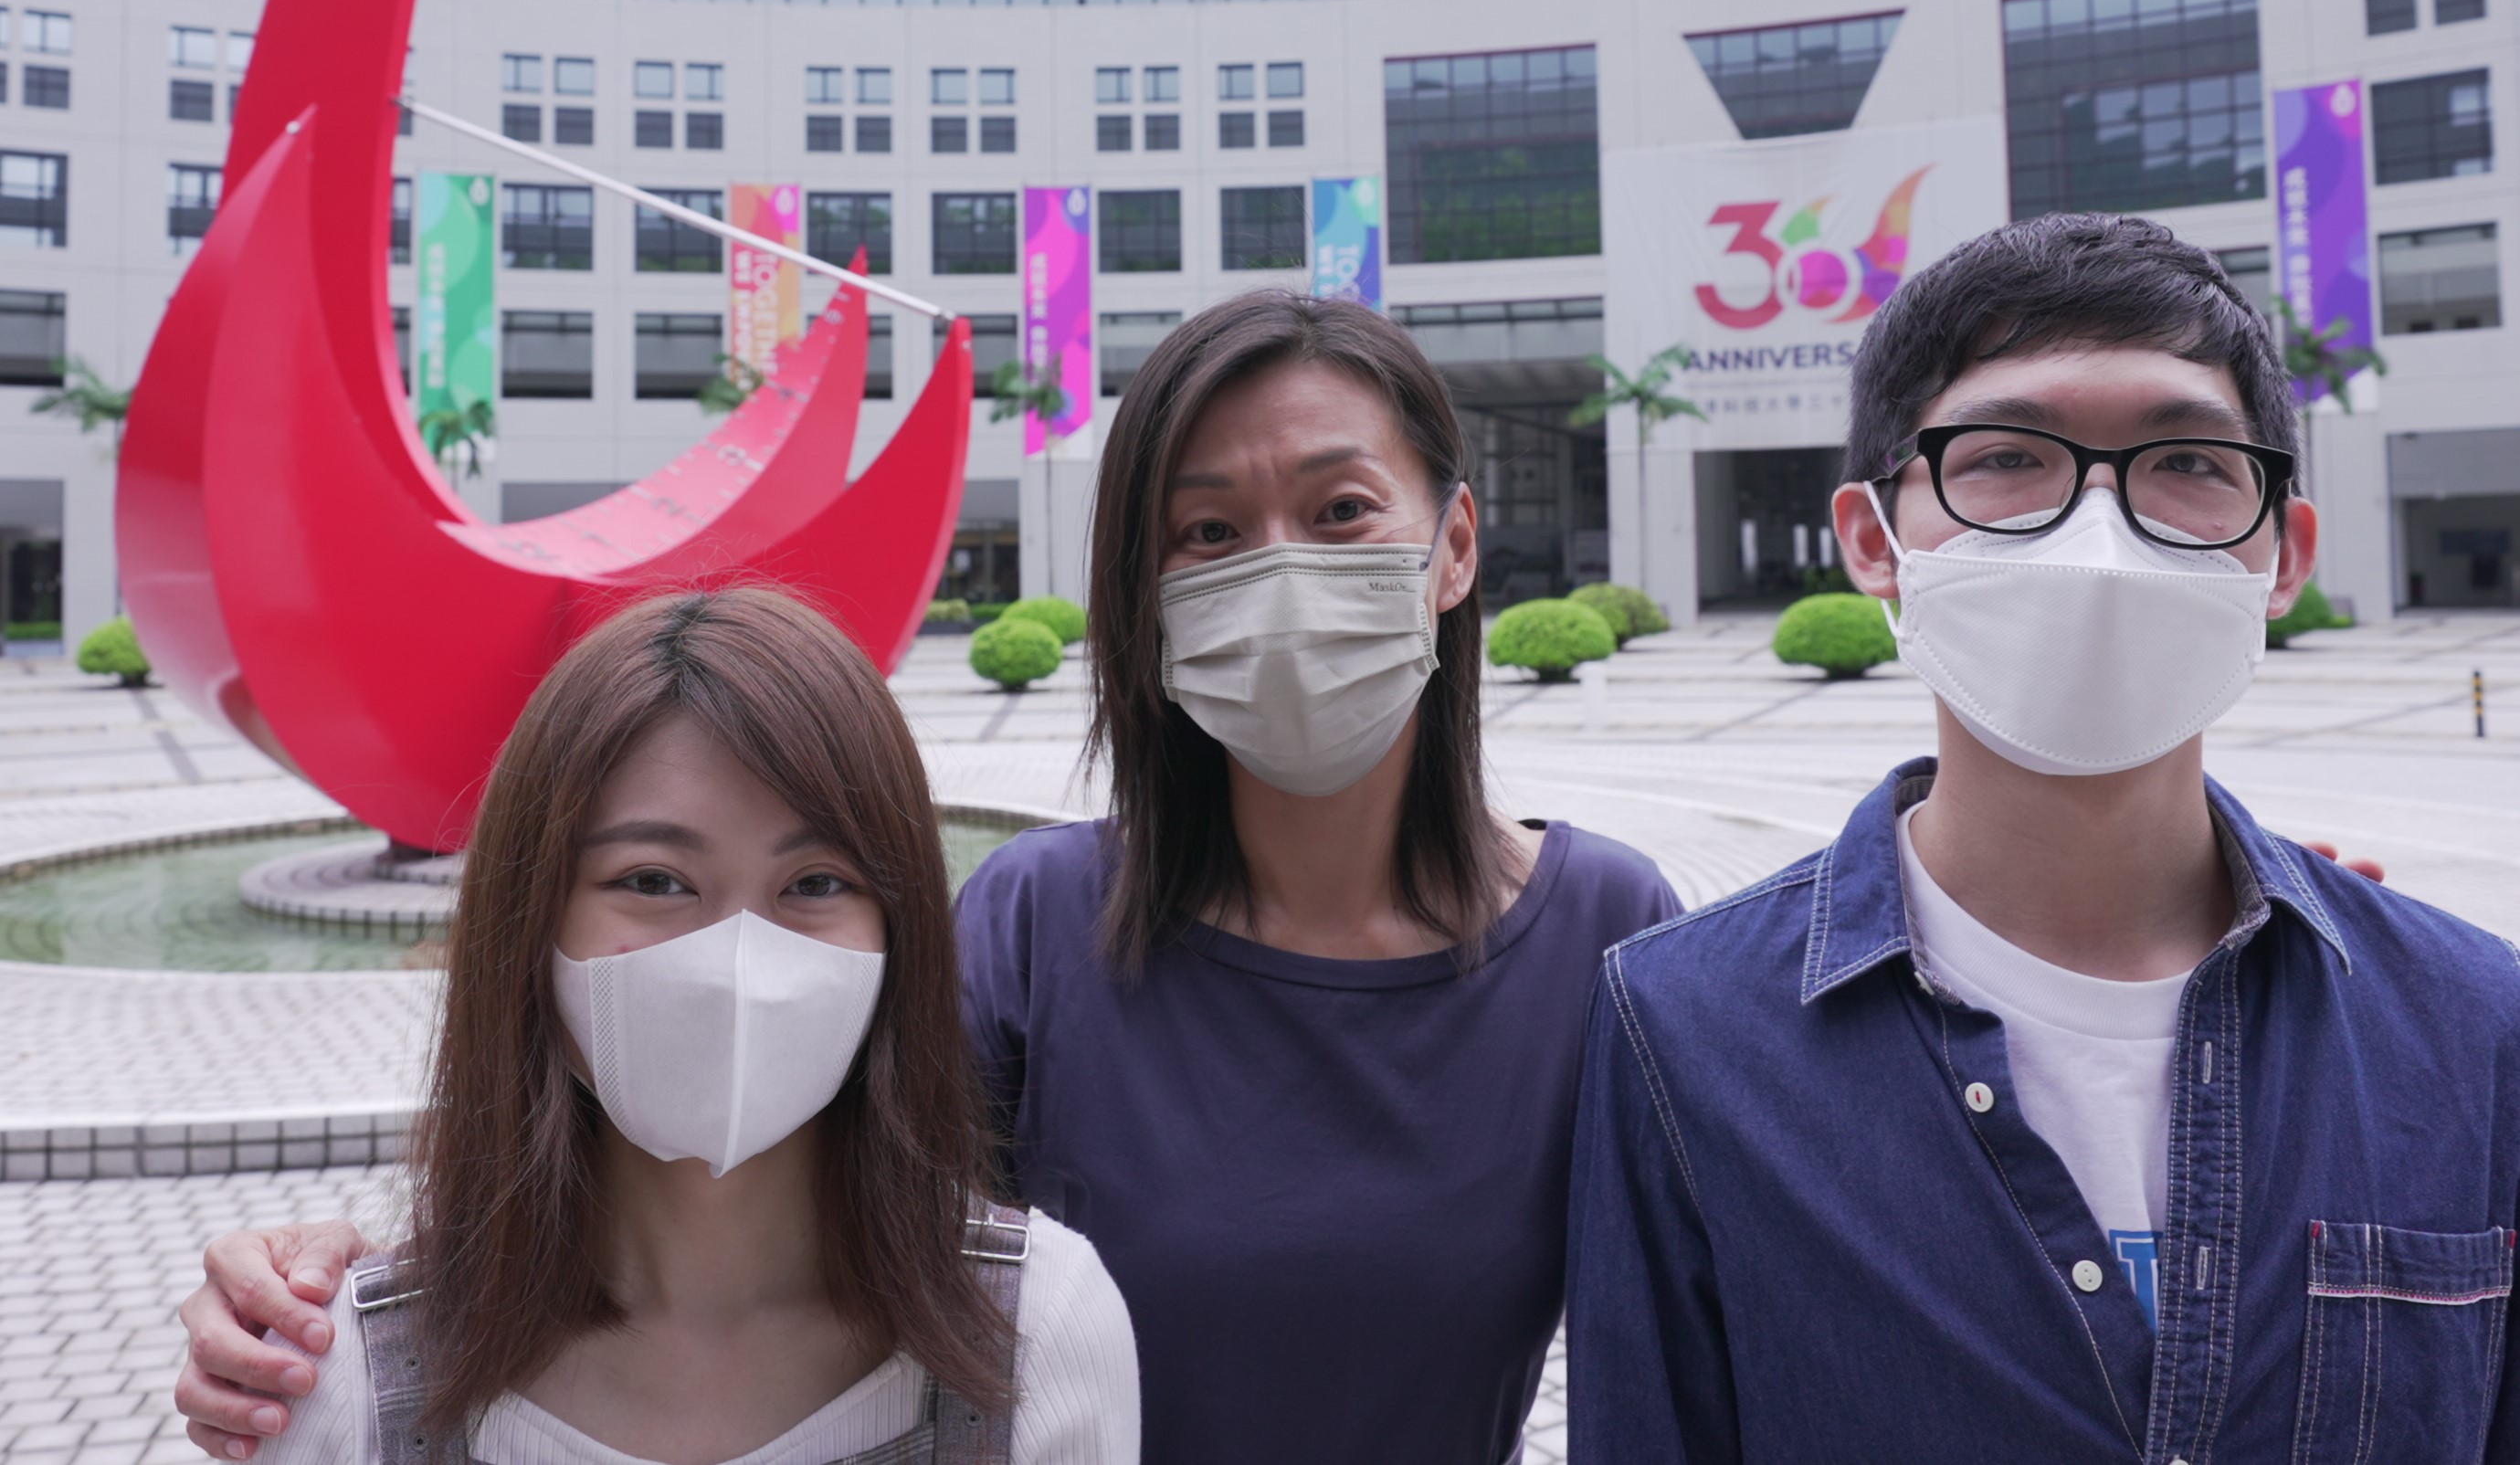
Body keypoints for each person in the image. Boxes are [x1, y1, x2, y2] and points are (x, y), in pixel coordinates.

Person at [179, 294, 1679, 1465]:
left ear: (1454, 543)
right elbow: (776, 1198)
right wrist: (359, 1290)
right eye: (1207, 532)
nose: (1274, 567)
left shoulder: (1607, 937)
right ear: (1147, 605)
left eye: (1339, 510)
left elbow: (1678, 1357)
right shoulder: (1038, 927)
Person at [1566, 214, 2520, 1462]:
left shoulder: (2472, 1025)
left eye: (2184, 458)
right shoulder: (1679, 1028)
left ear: (2280, 552)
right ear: (1873, 540)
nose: (2098, 531)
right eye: (2008, 455)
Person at [184, 588, 1136, 1464]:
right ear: (530, 923)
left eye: (813, 883)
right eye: (652, 880)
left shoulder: (1038, 1326)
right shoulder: (339, 1379)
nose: (737, 955)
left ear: (900, 928)